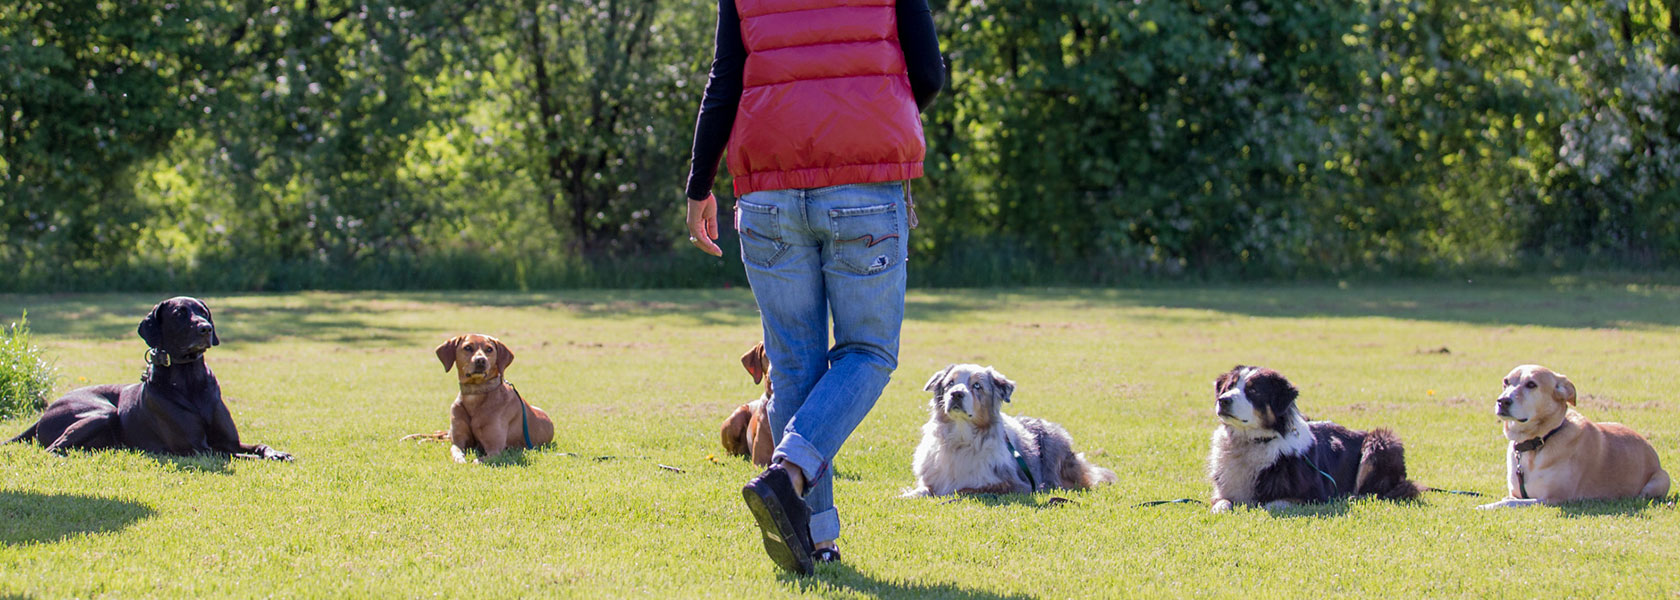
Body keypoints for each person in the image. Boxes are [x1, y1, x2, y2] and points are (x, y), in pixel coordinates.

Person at [683, 0, 943, 576]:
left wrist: (699, 183)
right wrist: (881, 118)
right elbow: (928, 72)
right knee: (868, 352)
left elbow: (724, 78)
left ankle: (818, 542)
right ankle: (789, 470)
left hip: (767, 190)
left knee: (795, 364)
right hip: (865, 187)